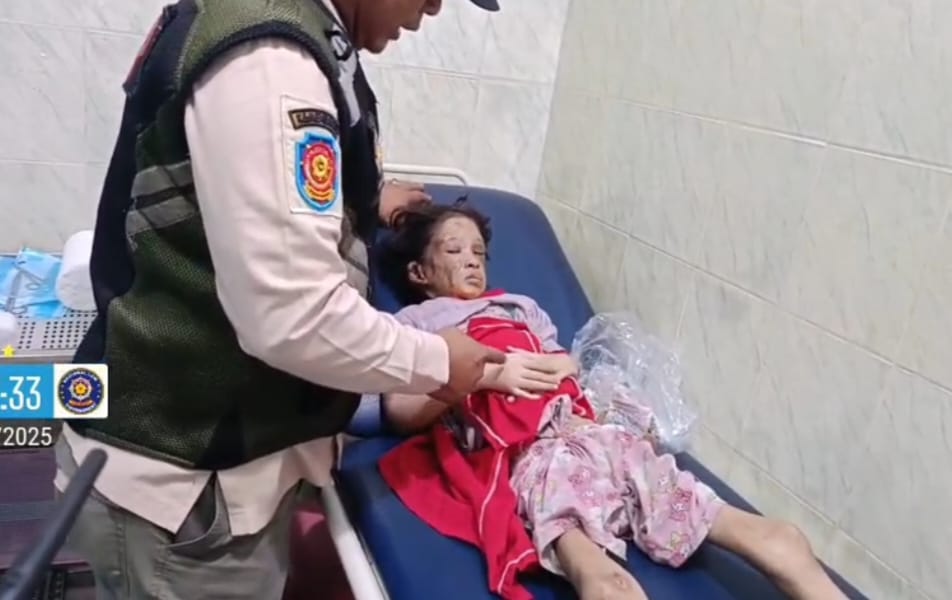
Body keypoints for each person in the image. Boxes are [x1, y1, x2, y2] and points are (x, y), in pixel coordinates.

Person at [52, 1, 530, 599]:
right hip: (183, 492)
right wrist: (437, 362)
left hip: (207, 468)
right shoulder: (271, 57)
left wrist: (364, 200)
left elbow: (260, 189)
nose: (434, 6)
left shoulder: (291, 36)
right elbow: (293, 314)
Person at [376, 202, 850, 600]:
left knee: (648, 540)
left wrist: (562, 366)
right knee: (600, 567)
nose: (472, 260)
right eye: (454, 250)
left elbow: (565, 364)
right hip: (527, 452)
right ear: (420, 272)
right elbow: (398, 410)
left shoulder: (520, 307)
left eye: (479, 251)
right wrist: (483, 376)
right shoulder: (417, 325)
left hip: (588, 431)